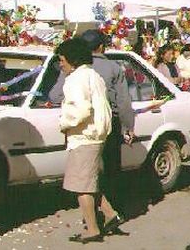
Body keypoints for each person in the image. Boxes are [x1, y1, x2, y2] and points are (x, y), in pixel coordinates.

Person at [49, 30, 135, 227]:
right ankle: (112, 212)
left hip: (83, 129)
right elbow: (123, 102)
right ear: (102, 47)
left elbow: (55, 96)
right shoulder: (114, 67)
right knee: (109, 172)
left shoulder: (74, 71)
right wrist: (128, 127)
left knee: (85, 179)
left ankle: (95, 222)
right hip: (108, 124)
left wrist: (65, 119)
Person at [55, 37, 116, 244]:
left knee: (81, 186)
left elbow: (80, 110)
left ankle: (92, 229)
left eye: (62, 60)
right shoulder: (93, 75)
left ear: (72, 59)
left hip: (84, 136)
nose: (60, 65)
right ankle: (110, 214)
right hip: (96, 135)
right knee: (89, 181)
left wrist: (64, 122)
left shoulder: (75, 80)